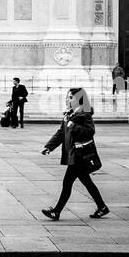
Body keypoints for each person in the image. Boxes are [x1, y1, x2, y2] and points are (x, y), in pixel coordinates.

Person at [41, 88, 109, 221]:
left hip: (81, 155)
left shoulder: (85, 114)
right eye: (68, 97)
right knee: (87, 182)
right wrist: (49, 147)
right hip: (74, 154)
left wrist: (73, 126)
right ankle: (102, 207)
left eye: (71, 97)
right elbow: (61, 133)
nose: (68, 99)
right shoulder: (70, 114)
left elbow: (90, 131)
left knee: (67, 183)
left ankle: (56, 211)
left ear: (79, 99)